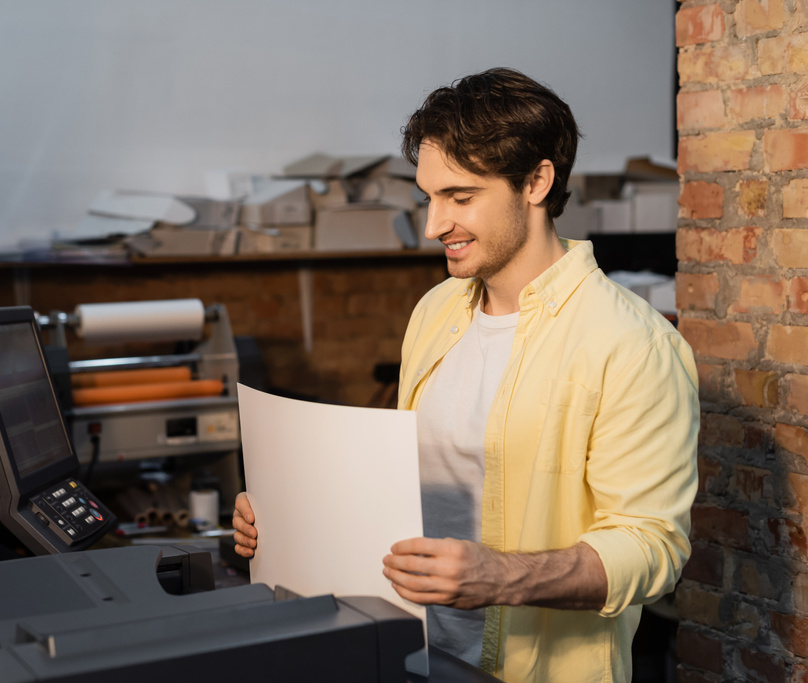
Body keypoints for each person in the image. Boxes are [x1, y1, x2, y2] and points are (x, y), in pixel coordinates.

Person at [233, 67, 699, 682]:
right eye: (429, 197)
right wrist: (295, 516)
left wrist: (499, 575)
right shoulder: (436, 311)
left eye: (461, 197)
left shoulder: (632, 345)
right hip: (408, 649)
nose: (433, 225)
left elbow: (652, 549)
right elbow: (415, 482)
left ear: (536, 182)